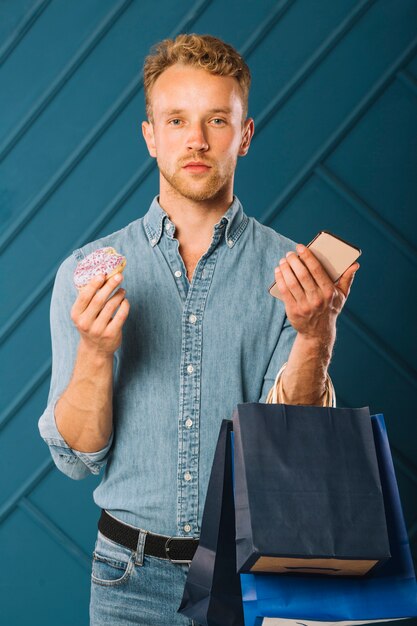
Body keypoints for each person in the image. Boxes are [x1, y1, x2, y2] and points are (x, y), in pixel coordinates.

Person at [38, 33, 359, 626]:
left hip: (252, 574)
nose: (196, 139)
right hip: (125, 578)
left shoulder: (294, 274)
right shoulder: (86, 277)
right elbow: (77, 461)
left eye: (217, 119)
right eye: (177, 119)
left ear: (245, 135)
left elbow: (296, 452)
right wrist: (93, 351)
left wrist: (315, 336)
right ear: (150, 136)